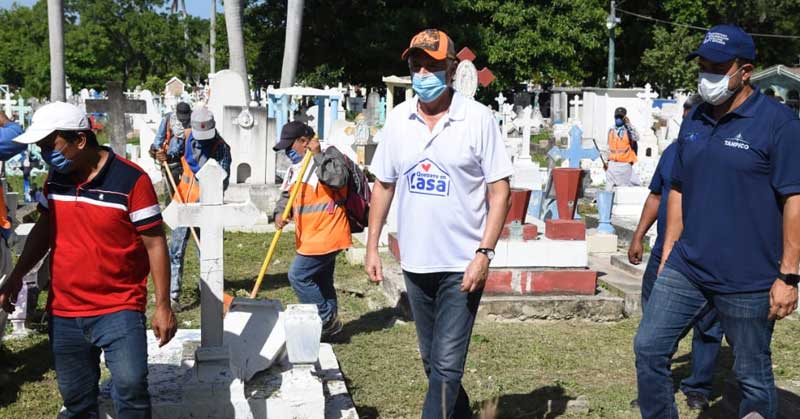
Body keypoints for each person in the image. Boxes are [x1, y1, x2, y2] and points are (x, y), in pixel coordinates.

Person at [634, 25, 800, 419]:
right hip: (688, 266)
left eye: (718, 67)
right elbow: (678, 187)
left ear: (746, 71)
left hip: (749, 278)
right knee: (649, 348)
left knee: (752, 375)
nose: (707, 75)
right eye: (704, 65)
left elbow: (795, 199)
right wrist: (669, 249)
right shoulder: (695, 118)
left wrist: (789, 275)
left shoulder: (779, 123)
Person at [365, 29, 512, 419]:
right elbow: (383, 185)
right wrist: (372, 246)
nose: (422, 74)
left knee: (446, 367)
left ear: (449, 69)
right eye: (417, 66)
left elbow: (500, 191)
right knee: (434, 364)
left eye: (431, 66)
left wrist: (484, 253)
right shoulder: (399, 120)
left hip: (461, 265)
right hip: (415, 263)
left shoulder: (477, 119)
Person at [0, 101, 177, 418]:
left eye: (50, 145)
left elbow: (154, 243)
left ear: (80, 140)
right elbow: (44, 229)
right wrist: (16, 276)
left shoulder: (131, 181)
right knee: (77, 399)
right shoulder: (56, 178)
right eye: (41, 147)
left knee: (131, 388)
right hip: (65, 310)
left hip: (119, 307)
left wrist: (163, 305)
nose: (44, 154)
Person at [627, 94, 722, 411]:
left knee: (708, 326)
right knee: (654, 325)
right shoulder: (672, 153)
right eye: (685, 119)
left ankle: (698, 386)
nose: (688, 126)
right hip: (663, 252)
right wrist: (638, 236)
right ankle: (654, 388)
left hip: (703, 253)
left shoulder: (718, 156)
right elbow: (656, 196)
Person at [272, 121, 351, 341]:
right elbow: (287, 195)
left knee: (298, 275)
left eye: (290, 147)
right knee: (323, 281)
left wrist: (317, 156)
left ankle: (325, 319)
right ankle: (332, 330)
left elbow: (338, 180)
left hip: (328, 231)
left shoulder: (329, 154)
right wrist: (279, 213)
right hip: (309, 235)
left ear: (304, 141)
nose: (287, 153)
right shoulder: (296, 167)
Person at [168, 107, 231, 310]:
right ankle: (172, 296)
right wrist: (162, 156)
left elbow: (222, 181)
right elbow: (172, 154)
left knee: (206, 252)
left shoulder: (221, 148)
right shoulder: (186, 137)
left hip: (206, 208)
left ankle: (210, 292)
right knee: (175, 251)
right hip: (182, 202)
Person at [149, 102, 192, 205]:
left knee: (186, 194)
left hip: (188, 162)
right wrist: (158, 152)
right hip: (171, 163)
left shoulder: (193, 122)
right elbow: (158, 141)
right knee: (170, 194)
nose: (183, 120)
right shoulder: (168, 119)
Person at [605, 106, 640, 189]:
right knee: (609, 187)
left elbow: (636, 138)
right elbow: (608, 146)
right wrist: (606, 161)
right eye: (617, 117)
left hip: (625, 163)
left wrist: (629, 125)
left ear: (624, 118)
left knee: (622, 188)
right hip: (612, 163)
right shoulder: (611, 130)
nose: (618, 119)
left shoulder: (629, 130)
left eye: (620, 117)